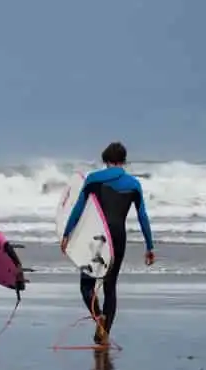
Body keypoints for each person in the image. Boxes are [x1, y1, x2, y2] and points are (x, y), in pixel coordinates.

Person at [59, 142, 155, 344]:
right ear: (124, 161)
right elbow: (142, 216)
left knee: (87, 285)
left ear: (106, 160)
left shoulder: (94, 180)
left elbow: (78, 208)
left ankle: (98, 316)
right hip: (118, 237)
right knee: (110, 287)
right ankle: (105, 334)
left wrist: (67, 233)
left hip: (96, 237)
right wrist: (149, 246)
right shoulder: (134, 184)